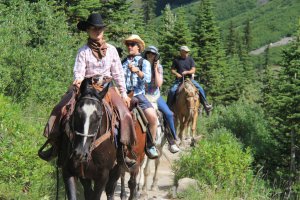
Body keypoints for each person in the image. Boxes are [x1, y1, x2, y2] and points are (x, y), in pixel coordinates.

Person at [39, 13, 137, 167]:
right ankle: (55, 145)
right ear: (88, 31)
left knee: (125, 115)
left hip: (106, 89)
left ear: (103, 30)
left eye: (99, 29)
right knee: (60, 108)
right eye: (93, 29)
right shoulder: (83, 51)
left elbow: (118, 73)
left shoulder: (111, 50)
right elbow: (79, 72)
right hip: (86, 87)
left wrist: (124, 94)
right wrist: (78, 80)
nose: (97, 31)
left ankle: (124, 151)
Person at [122, 35, 159, 159]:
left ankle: (150, 145)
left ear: (139, 47)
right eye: (128, 44)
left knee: (153, 118)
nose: (129, 47)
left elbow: (148, 79)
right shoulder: (122, 62)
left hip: (138, 95)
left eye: (132, 44)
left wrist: (137, 71)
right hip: (123, 95)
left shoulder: (144, 62)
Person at [143, 46, 180, 153]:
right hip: (143, 96)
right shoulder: (141, 64)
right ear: (146, 54)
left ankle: (172, 140)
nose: (150, 55)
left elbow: (158, 84)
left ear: (156, 56)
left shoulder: (159, 67)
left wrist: (155, 69)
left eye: (153, 54)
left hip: (155, 96)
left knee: (169, 114)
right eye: (149, 53)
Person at [167, 46, 213, 115]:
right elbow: (172, 70)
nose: (187, 53)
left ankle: (206, 104)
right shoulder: (176, 60)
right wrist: (177, 74)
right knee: (172, 90)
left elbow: (193, 69)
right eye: (185, 52)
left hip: (189, 79)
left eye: (187, 52)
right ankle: (169, 106)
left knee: (200, 88)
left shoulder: (190, 59)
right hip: (179, 80)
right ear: (181, 52)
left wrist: (187, 72)